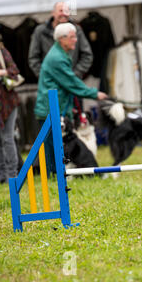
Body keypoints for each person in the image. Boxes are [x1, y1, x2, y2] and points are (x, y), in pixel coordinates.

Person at [34, 23, 107, 176]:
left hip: (57, 107)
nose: (76, 40)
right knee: (52, 149)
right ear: (62, 39)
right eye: (73, 37)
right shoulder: (57, 58)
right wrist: (94, 93)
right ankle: (54, 179)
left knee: (58, 147)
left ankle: (61, 176)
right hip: (50, 109)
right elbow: (70, 82)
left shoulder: (61, 54)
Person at [28, 2, 93, 79]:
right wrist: (44, 76)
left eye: (67, 11)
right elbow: (33, 58)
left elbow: (87, 55)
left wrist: (75, 75)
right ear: (53, 13)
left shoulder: (76, 29)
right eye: (61, 11)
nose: (64, 14)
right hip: (51, 82)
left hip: (71, 81)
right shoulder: (41, 31)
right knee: (53, 91)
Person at [0, 32, 21, 183]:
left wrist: (2, 72)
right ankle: (1, 176)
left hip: (8, 102)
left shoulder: (2, 52)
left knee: (7, 137)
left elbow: (14, 71)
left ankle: (13, 174)